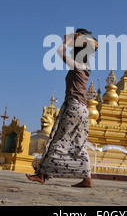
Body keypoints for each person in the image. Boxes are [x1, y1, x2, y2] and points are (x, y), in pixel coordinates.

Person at [26, 28, 98, 187]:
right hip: (83, 110)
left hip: (73, 105)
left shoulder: (78, 64)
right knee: (79, 144)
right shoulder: (86, 66)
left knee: (56, 140)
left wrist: (68, 40)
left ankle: (42, 175)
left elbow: (60, 51)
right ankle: (87, 179)